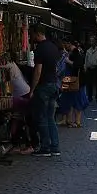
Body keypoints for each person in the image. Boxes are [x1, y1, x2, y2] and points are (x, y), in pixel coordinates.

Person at [29, 24, 61, 157]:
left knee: (42, 117)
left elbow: (38, 70)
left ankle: (45, 147)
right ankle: (55, 147)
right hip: (54, 84)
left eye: (32, 34)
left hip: (44, 86)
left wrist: (32, 88)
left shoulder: (40, 49)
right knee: (50, 117)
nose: (31, 37)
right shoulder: (53, 47)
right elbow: (57, 67)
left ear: (37, 34)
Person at [6, 61, 34, 154]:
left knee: (20, 120)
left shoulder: (8, 66)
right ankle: (20, 144)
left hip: (21, 95)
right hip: (22, 94)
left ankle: (25, 145)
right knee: (18, 120)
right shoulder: (13, 65)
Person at [59, 39, 89, 127]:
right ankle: (69, 120)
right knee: (68, 99)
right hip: (70, 79)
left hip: (74, 80)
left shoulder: (77, 53)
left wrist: (68, 61)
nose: (65, 46)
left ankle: (75, 121)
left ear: (70, 44)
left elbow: (78, 65)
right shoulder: (70, 53)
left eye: (66, 44)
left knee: (75, 100)